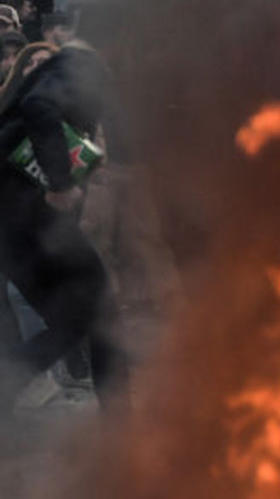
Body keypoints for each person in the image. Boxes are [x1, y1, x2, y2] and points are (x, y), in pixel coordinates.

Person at [0, 41, 128, 415]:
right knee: (100, 313)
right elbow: (40, 106)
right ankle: (124, 428)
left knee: (73, 323)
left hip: (24, 232)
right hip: (22, 225)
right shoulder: (76, 64)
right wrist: (61, 182)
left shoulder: (33, 110)